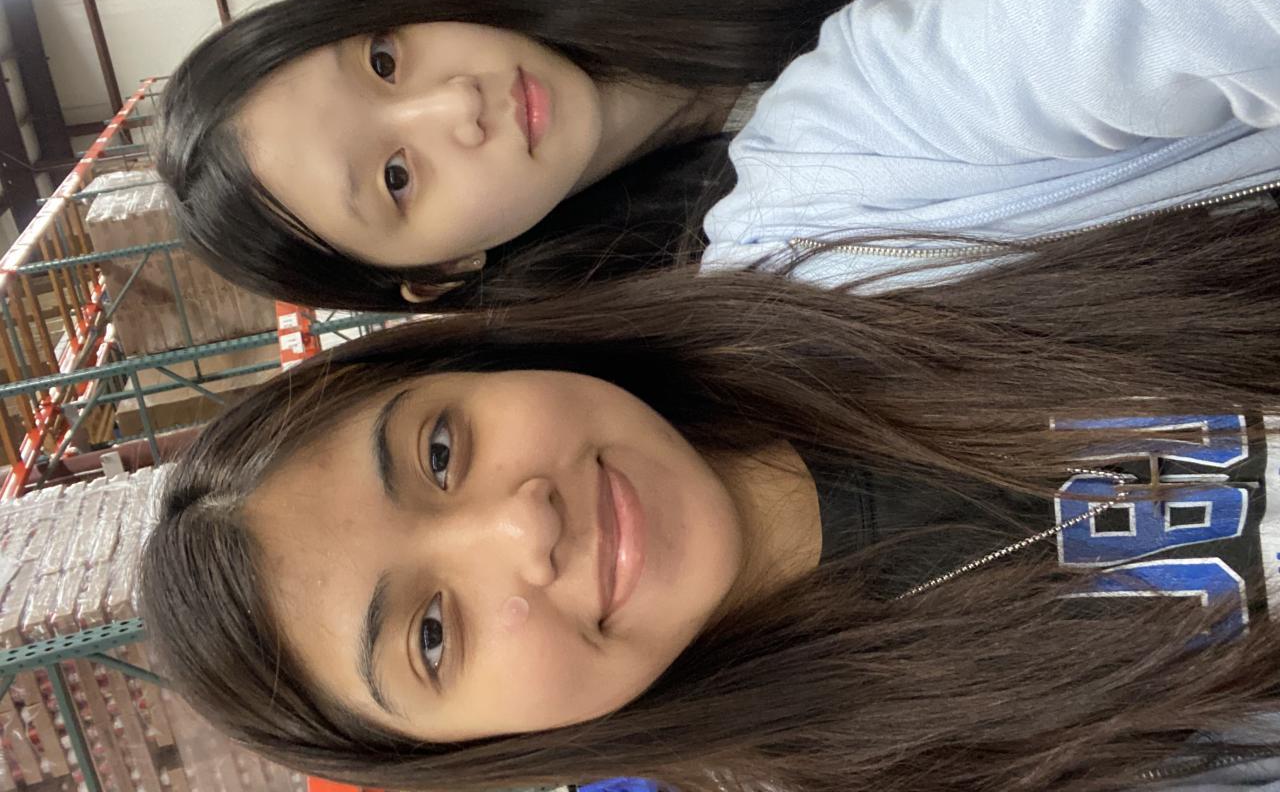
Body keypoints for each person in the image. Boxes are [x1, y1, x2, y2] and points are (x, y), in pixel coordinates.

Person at [141, 211, 1280, 792]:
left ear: (474, 362)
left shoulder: (850, 199)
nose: (521, 525)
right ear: (471, 751)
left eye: (440, 450)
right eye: (432, 634)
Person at [157, 0, 1087, 311]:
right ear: (439, 273)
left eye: (384, 58)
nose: (456, 102)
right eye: (398, 177)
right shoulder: (719, 289)